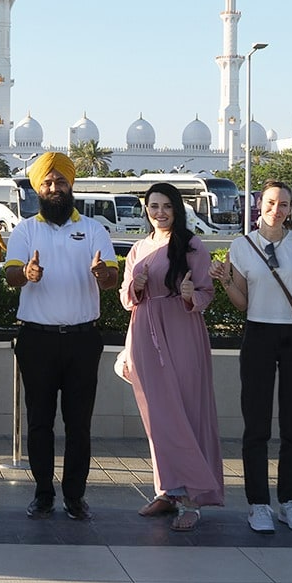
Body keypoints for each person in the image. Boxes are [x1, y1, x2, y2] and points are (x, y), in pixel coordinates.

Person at [210, 181, 292, 535]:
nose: (276, 209)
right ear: (259, 205)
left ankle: (290, 501)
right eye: (270, 202)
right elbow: (243, 303)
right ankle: (258, 504)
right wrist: (224, 282)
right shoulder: (241, 245)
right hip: (259, 335)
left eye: (283, 204)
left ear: (290, 209)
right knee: (257, 424)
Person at [3, 152, 119, 521]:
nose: (54, 188)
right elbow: (10, 275)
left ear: (71, 186)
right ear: (38, 188)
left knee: (78, 423)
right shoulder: (25, 230)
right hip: (37, 340)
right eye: (47, 183)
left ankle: (74, 496)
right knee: (39, 421)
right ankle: (42, 493)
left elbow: (112, 278)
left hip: (82, 341)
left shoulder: (94, 228)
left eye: (60, 182)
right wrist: (28, 274)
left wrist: (102, 274)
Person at [119, 181, 223, 531]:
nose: (159, 213)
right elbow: (125, 297)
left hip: (182, 330)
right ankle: (167, 490)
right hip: (145, 332)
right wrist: (135, 286)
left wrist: (191, 294)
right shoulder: (139, 248)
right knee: (156, 416)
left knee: (186, 412)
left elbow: (207, 293)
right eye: (153, 207)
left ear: (177, 208)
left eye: (166, 206)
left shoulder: (192, 245)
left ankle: (194, 498)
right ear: (146, 210)